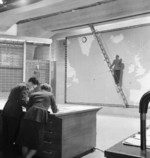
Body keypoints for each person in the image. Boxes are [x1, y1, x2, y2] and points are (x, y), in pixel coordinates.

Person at [16, 83, 59, 158]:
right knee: (37, 143)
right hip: (38, 118)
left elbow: (28, 107)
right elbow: (54, 110)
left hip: (27, 116)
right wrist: (56, 109)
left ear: (41, 88)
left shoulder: (34, 94)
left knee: (25, 141)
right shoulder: (50, 94)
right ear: (49, 89)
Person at [1, 83, 29, 152]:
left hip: (6, 112)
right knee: (12, 133)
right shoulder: (22, 93)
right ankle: (10, 150)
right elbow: (24, 103)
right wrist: (26, 98)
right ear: (23, 89)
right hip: (13, 115)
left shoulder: (13, 93)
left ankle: (4, 150)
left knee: (5, 132)